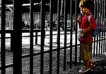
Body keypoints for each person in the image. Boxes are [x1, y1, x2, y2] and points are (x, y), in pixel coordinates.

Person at [77, 0, 96, 73]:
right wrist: (79, 22)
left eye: (83, 8)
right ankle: (89, 64)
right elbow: (81, 28)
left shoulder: (90, 17)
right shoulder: (84, 17)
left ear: (89, 8)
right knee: (86, 53)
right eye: (80, 8)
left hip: (87, 39)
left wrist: (85, 30)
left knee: (84, 54)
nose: (81, 9)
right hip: (83, 39)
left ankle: (87, 66)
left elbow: (93, 27)